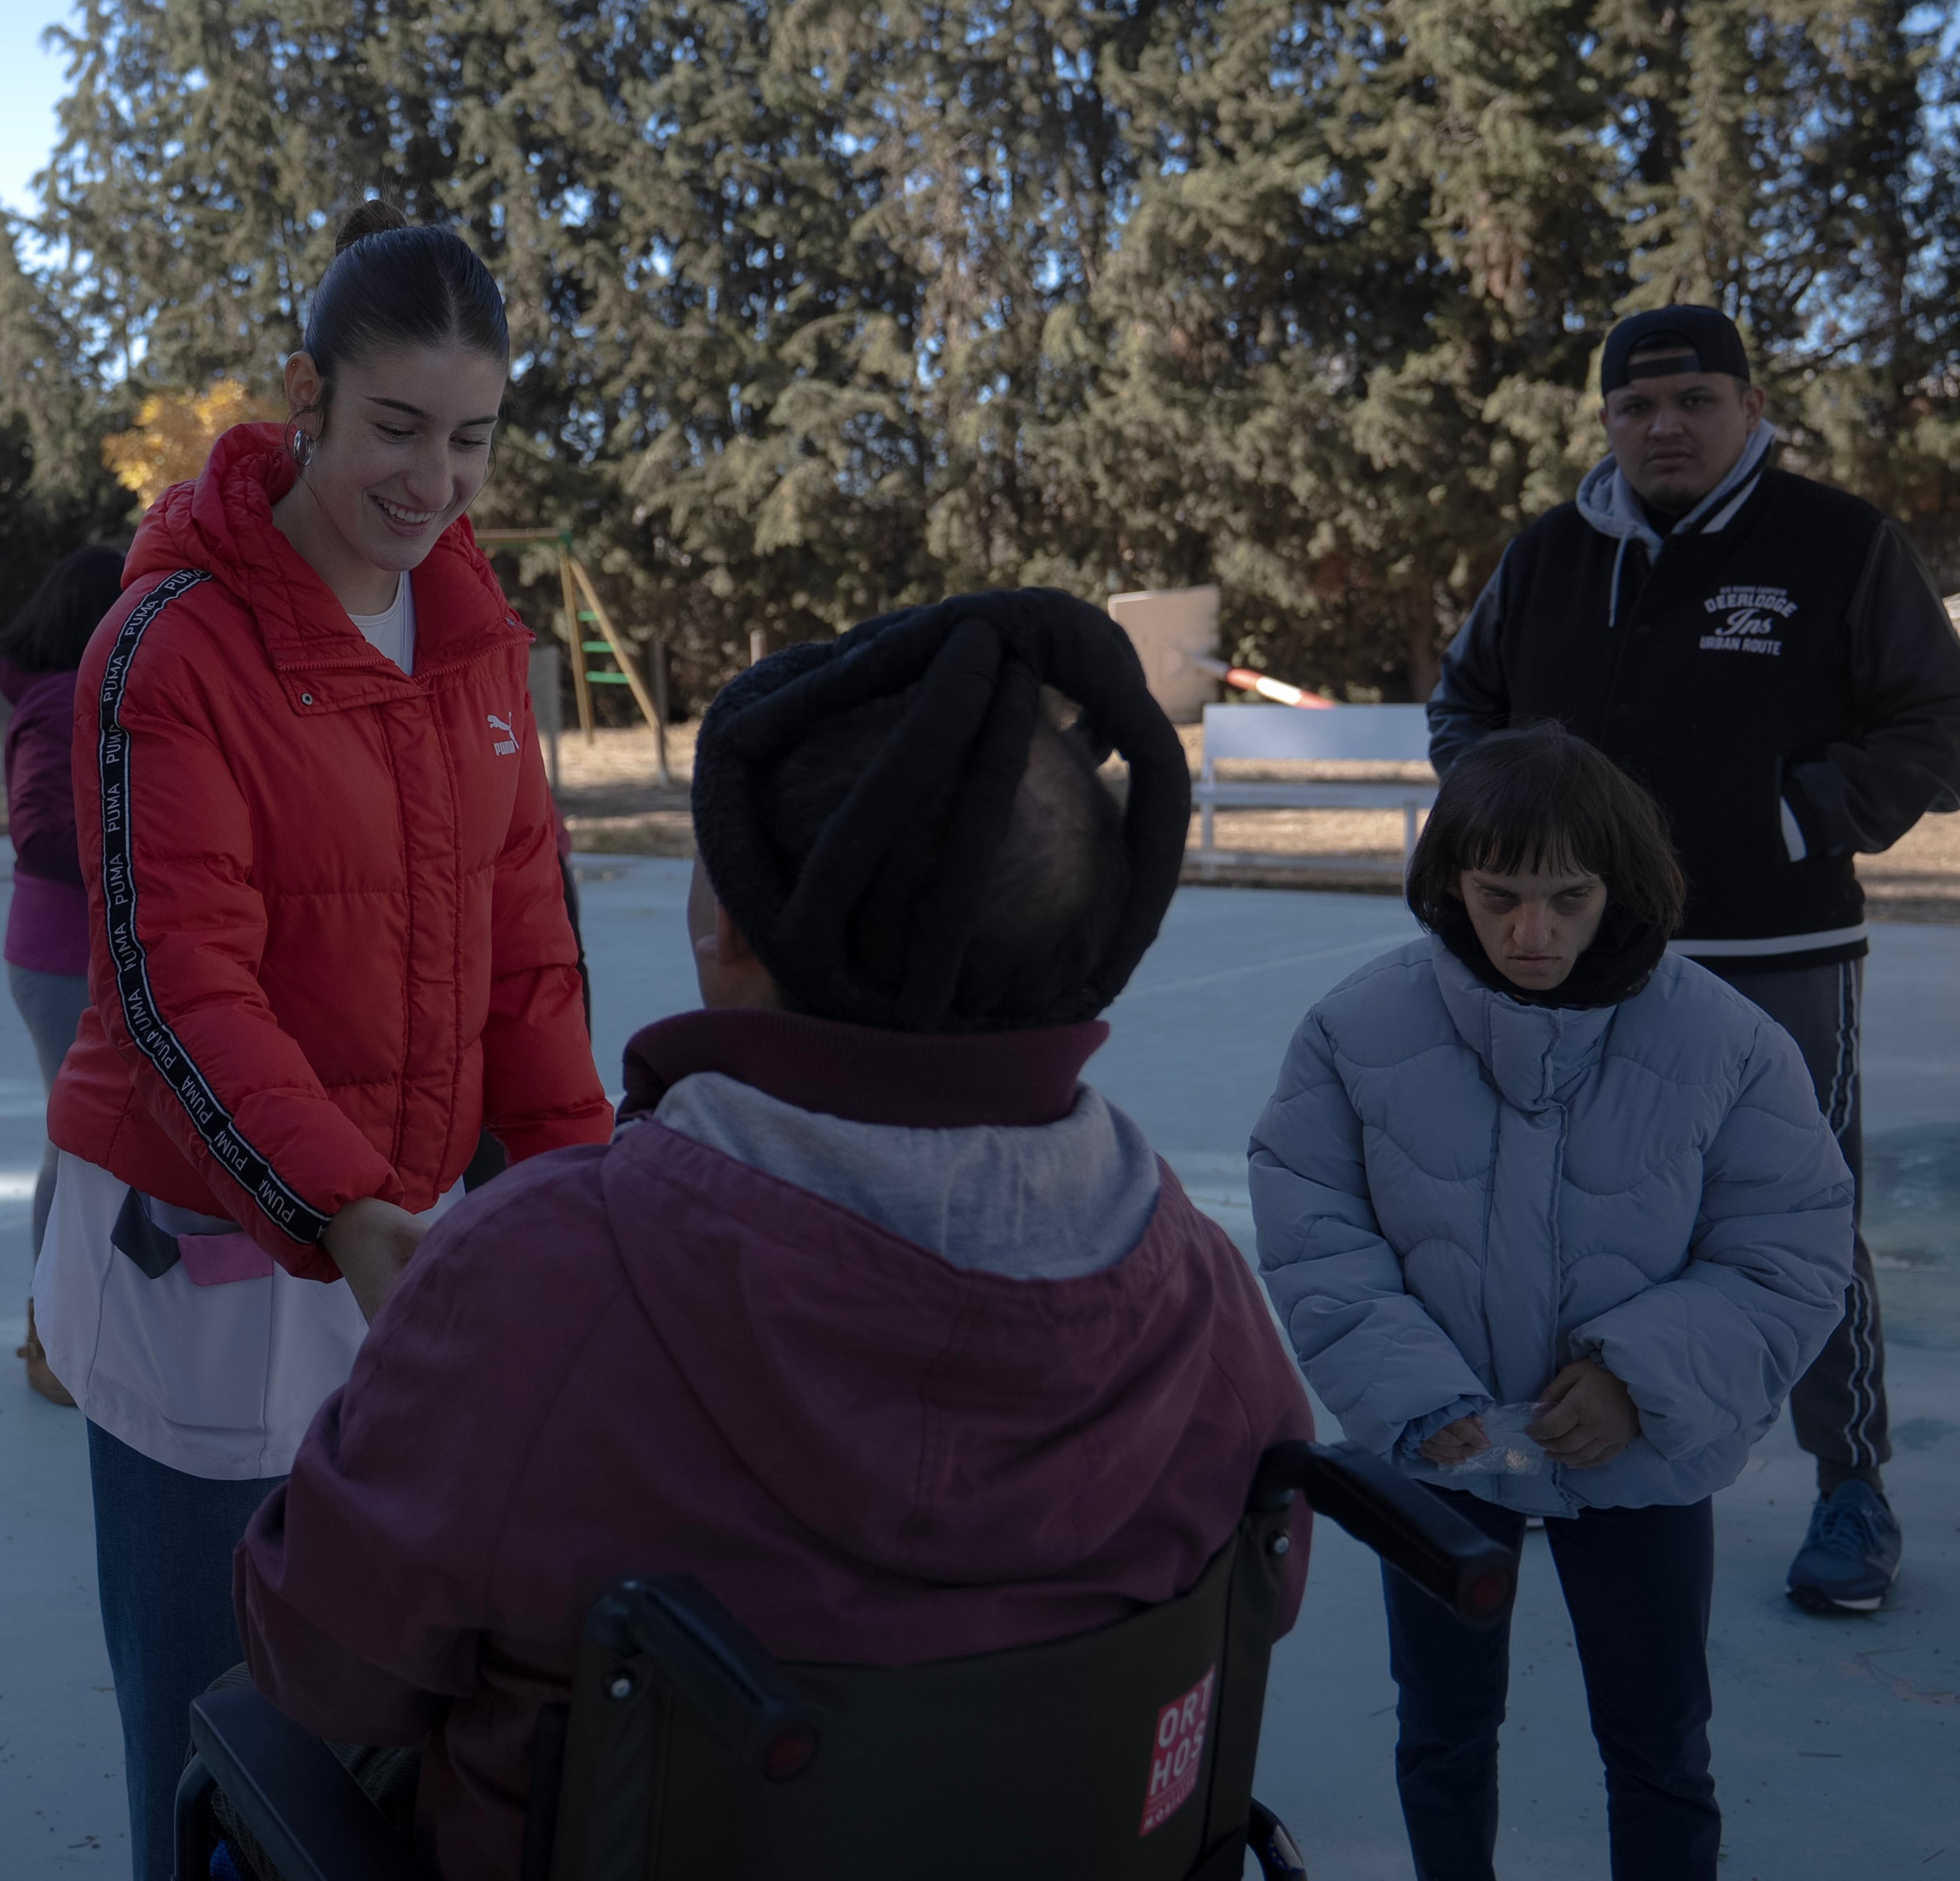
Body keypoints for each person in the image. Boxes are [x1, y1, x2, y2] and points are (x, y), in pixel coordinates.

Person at [235, 590, 1315, 1881]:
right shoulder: (1199, 1291)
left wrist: (418, 1374)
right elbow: (1263, 1598)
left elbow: (325, 1659)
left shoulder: (543, 1281)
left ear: (732, 929)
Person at [32, 201, 611, 1881]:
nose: (432, 481)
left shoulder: (478, 647)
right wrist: (343, 1205)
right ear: (306, 394)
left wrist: (583, 1209)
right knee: (206, 1730)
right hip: (212, 1262)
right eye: (396, 427)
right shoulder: (170, 645)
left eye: (470, 439)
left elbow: (530, 969)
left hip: (409, 1260)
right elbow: (181, 987)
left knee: (384, 1731)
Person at [1250, 724, 1853, 1881]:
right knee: (1440, 1733)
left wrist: (1640, 1379)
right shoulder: (1354, 1030)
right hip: (1443, 1451)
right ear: (1448, 882)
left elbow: (1790, 1242)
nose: (1533, 932)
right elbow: (1314, 1227)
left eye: (1569, 898)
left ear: (1619, 884)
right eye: (1499, 896)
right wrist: (1418, 1396)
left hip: (1640, 1455)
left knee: (1660, 1744)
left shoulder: (1724, 1041)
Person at [1430, 302, 1960, 1610]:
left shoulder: (1836, 543)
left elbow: (1935, 720)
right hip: (1573, 960)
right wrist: (1512, 832)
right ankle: (1555, 1451)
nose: (1664, 425)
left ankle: (1850, 1481)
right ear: (1608, 421)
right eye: (1636, 406)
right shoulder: (1548, 554)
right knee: (1554, 1208)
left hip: (1774, 944)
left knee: (1802, 1215)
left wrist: (1793, 817)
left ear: (1748, 409)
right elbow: (1462, 708)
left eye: (1694, 400)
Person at [0, 542, 126, 1405]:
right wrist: (136, 842)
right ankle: (49, 1332)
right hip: (59, 960)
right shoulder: (56, 703)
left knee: (95, 1145)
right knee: (75, 1145)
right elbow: (39, 831)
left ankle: (84, 1324)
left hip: (79, 954)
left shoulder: (81, 696)